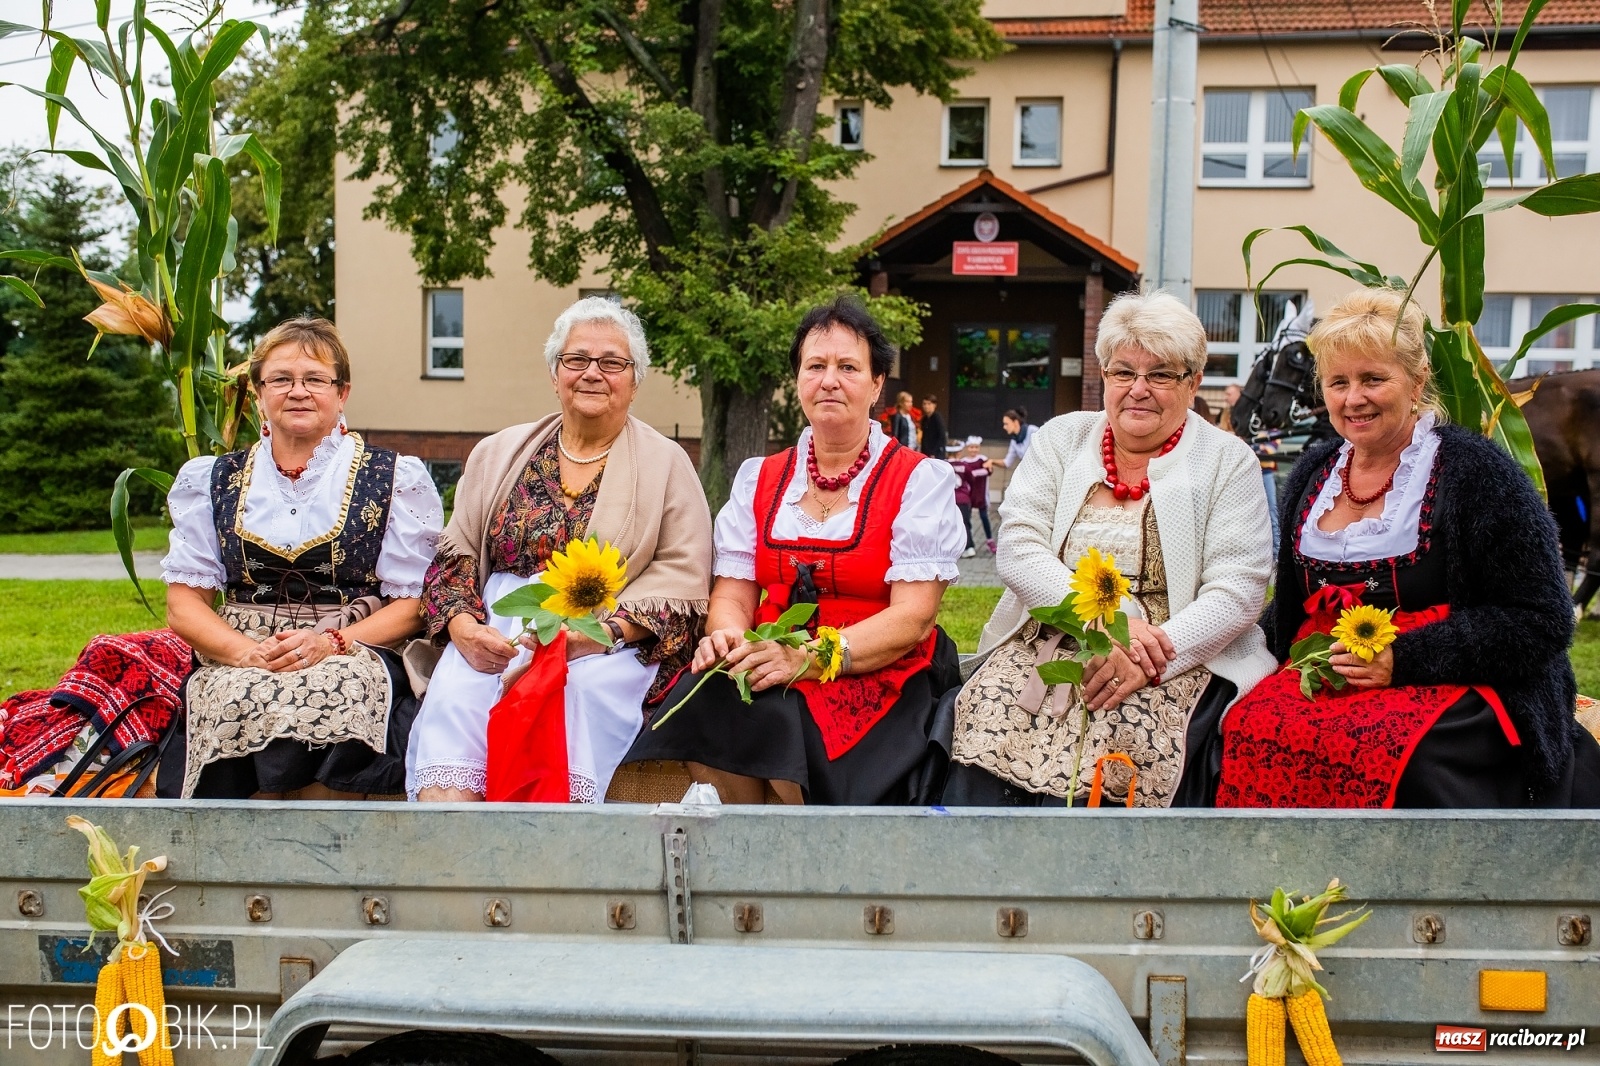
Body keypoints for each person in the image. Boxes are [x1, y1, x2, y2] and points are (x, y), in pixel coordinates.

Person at [1216, 288, 1600, 808]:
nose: (1354, 398)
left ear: (1417, 381)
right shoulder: (1314, 472)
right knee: (1243, 724)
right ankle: (1277, 886)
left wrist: (1405, 658)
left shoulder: (1477, 474)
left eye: (1374, 379)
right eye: (1338, 382)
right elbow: (1288, 608)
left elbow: (1541, 619)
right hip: (1328, 673)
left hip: (1456, 682)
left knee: (1390, 752)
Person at [619, 296, 966, 804]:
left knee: (783, 716)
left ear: (876, 386)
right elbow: (733, 595)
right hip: (771, 652)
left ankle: (797, 863)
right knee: (703, 695)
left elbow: (912, 618)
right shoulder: (760, 477)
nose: (830, 380)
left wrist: (808, 656)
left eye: (848, 367)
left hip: (877, 667)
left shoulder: (918, 479)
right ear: (798, 380)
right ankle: (748, 845)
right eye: (815, 366)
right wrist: (728, 638)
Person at [943, 291, 1278, 807]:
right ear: (1104, 376)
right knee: (987, 711)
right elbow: (1019, 547)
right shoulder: (1063, 438)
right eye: (1123, 372)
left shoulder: (1227, 461)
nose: (1138, 389)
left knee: (1127, 728)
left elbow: (1239, 590)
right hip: (1057, 631)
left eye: (1161, 374)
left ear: (1192, 383)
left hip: (1179, 653)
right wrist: (1102, 622)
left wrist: (1148, 658)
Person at [406, 297, 713, 803]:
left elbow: (683, 577)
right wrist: (464, 630)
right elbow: (453, 560)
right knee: (457, 703)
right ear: (555, 374)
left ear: (635, 381)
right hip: (497, 630)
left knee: (571, 701)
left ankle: (548, 861)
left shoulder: (668, 464)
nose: (593, 373)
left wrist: (595, 637)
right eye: (577, 360)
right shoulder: (496, 452)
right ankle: (454, 862)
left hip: (605, 640)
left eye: (612, 362)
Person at [156, 318, 444, 799]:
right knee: (232, 694)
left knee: (337, 690)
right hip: (243, 646)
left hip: (353, 642)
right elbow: (183, 605)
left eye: (315, 379)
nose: (298, 392)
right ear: (258, 390)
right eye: (282, 379)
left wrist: (332, 642)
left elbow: (414, 602)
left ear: (342, 392)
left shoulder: (395, 477)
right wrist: (245, 654)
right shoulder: (211, 479)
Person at [1222, 382, 1281, 552]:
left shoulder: (1267, 420)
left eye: (1229, 394)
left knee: (1271, 513)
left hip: (1265, 472)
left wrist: (1242, 446)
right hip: (1239, 472)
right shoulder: (1230, 416)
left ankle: (1277, 555)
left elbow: (1270, 449)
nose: (1226, 398)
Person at [949, 435, 994, 557]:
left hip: (979, 493)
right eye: (971, 447)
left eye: (976, 447)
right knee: (965, 521)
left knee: (983, 517)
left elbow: (988, 470)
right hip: (966, 495)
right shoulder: (964, 463)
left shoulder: (982, 459)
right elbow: (970, 476)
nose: (974, 450)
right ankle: (967, 545)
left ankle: (990, 540)